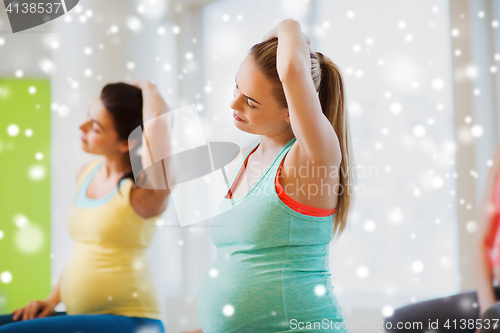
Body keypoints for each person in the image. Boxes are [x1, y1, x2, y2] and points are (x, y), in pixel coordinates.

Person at [182, 18, 354, 333]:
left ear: (292, 110)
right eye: (237, 85)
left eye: (250, 102)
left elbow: (291, 69)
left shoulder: (313, 159)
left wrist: (290, 27)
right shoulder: (246, 157)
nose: (233, 103)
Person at [0, 81, 171, 333]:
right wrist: (51, 299)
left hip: (132, 321)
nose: (82, 127)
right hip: (85, 315)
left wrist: (149, 89)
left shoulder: (145, 192)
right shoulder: (86, 173)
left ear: (127, 143)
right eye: (87, 117)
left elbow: (159, 130)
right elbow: (86, 250)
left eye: (96, 127)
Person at [384, 146, 500, 333]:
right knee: (400, 322)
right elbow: (482, 243)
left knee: (493, 320)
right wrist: (486, 304)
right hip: (494, 296)